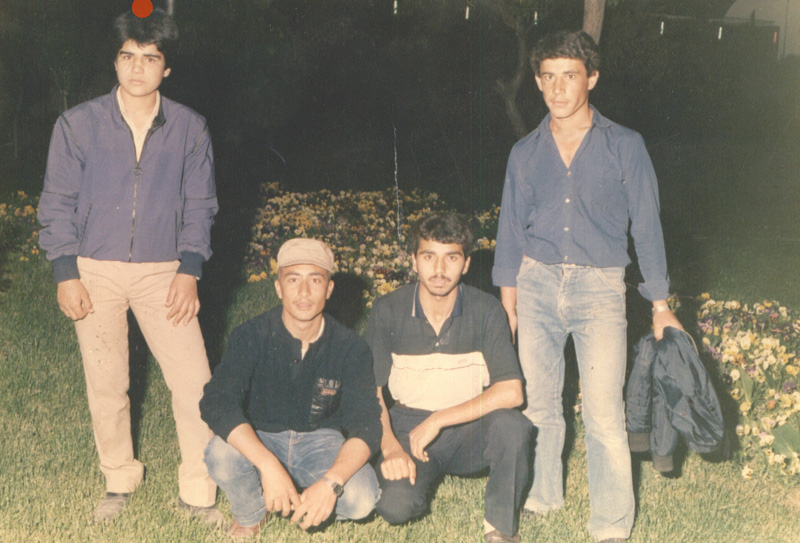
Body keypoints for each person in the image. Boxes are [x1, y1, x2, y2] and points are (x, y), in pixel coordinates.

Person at [492, 31, 684, 543]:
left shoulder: (625, 145)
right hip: (535, 282)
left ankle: (612, 523)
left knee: (603, 412)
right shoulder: (524, 152)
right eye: (548, 77)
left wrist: (660, 304)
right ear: (537, 82)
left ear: (592, 79)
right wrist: (508, 304)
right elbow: (510, 230)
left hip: (599, 288)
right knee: (538, 402)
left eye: (570, 76)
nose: (558, 88)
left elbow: (647, 226)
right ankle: (542, 495)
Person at [36, 9, 221, 524]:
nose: (137, 68)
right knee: (107, 381)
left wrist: (189, 269)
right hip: (94, 269)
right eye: (127, 56)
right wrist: (65, 272)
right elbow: (57, 203)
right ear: (115, 61)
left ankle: (199, 489)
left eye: (150, 58)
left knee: (195, 383)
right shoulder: (77, 124)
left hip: (164, 272)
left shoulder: (189, 127)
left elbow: (201, 205)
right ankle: (119, 479)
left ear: (167, 68)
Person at [365, 212, 532, 543]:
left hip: (468, 428)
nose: (439, 270)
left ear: (466, 264)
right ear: (414, 260)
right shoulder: (388, 309)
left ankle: (499, 527)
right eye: (429, 257)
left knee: (513, 427)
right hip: (408, 427)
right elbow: (371, 390)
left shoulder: (486, 309)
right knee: (395, 507)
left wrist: (439, 419)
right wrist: (390, 446)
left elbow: (512, 392)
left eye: (451, 258)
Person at [200, 238, 381, 539]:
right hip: (262, 436)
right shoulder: (250, 335)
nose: (304, 292)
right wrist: (268, 465)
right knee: (221, 454)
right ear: (278, 287)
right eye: (293, 279)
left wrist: (330, 484)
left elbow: (367, 425)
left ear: (329, 289)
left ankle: (306, 497)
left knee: (362, 499)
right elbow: (216, 402)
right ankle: (252, 513)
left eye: (315, 280)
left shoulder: (351, 347)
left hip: (321, 442)